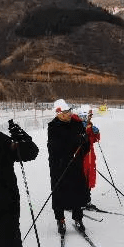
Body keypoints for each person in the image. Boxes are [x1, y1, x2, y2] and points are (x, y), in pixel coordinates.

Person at [47, 99, 90, 234]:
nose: (69, 114)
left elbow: (85, 145)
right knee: (59, 193)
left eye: (69, 111)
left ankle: (78, 219)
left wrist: (84, 141)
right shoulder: (53, 127)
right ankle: (60, 220)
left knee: (77, 192)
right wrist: (76, 141)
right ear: (58, 113)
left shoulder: (77, 124)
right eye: (66, 112)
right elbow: (56, 146)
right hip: (59, 165)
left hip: (75, 164)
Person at [75, 105, 101, 210]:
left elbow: (93, 140)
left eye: (91, 115)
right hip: (81, 158)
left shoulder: (89, 125)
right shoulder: (76, 126)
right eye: (89, 115)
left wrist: (95, 132)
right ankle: (77, 201)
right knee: (80, 180)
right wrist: (86, 130)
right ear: (84, 116)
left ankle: (86, 200)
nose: (91, 117)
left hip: (90, 158)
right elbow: (78, 142)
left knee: (88, 180)